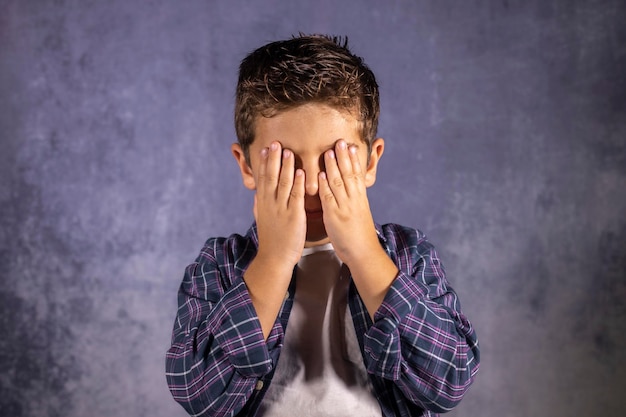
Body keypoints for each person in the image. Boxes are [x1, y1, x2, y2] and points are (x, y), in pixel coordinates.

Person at [165, 34, 480, 417]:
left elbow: (449, 382)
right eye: (287, 163)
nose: (313, 184)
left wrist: (364, 253)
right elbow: (199, 395)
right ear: (247, 165)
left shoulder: (409, 255)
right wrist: (275, 259)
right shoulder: (219, 264)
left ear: (370, 162)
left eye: (333, 158)